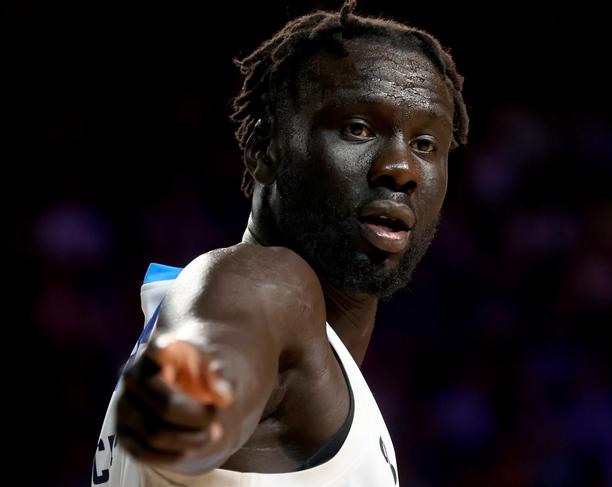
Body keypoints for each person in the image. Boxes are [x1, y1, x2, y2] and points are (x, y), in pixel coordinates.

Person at [92, 0, 469, 485]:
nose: (401, 168)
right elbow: (228, 328)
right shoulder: (262, 282)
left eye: (425, 145)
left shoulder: (319, 376)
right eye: (358, 129)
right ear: (262, 148)